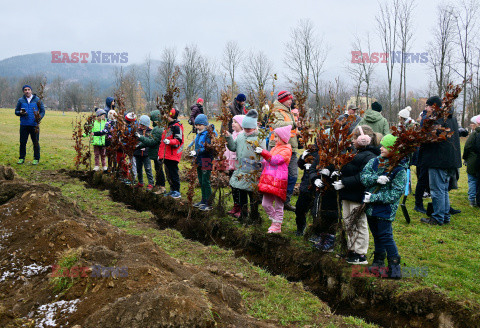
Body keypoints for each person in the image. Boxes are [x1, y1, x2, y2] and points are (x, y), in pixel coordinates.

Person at [360, 134, 407, 279]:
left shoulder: (399, 170)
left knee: (386, 236)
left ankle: (394, 266)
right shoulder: (375, 162)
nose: (381, 148)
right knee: (376, 234)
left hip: (385, 209)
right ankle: (378, 261)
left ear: (394, 150)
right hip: (371, 208)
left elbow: (394, 195)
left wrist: (374, 197)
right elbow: (363, 176)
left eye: (385, 146)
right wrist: (376, 179)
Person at [333, 125, 380, 264]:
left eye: (354, 137)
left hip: (357, 194)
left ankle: (360, 254)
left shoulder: (370, 156)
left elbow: (362, 177)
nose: (352, 141)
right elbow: (351, 170)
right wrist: (339, 173)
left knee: (359, 223)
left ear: (363, 139)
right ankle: (351, 249)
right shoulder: (357, 153)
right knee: (349, 222)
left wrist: (344, 182)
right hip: (348, 193)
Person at [419, 96, 462, 226]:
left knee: (437, 190)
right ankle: (445, 216)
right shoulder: (451, 118)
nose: (425, 109)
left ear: (433, 107)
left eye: (427, 106)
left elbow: (428, 139)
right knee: (443, 189)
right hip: (449, 160)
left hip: (438, 160)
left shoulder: (436, 120)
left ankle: (438, 217)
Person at [226, 110, 265, 224]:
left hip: (253, 171)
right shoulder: (241, 136)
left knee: (252, 196)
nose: (247, 131)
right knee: (242, 194)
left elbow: (263, 155)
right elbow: (233, 148)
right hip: (241, 169)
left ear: (254, 127)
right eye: (245, 128)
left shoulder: (260, 138)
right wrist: (228, 138)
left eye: (249, 129)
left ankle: (254, 218)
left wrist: (259, 164)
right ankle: (243, 216)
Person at [256, 125, 293, 233]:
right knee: (265, 204)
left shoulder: (286, 150)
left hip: (279, 180)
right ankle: (275, 220)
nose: (274, 139)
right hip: (269, 179)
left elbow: (275, 161)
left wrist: (263, 153)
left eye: (276, 137)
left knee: (278, 205)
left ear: (283, 138)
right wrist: (261, 162)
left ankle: (277, 225)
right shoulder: (273, 148)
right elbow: (269, 162)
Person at [269, 91, 299, 211]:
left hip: (291, 147)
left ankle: (285, 201)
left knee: (293, 175)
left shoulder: (288, 110)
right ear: (282, 100)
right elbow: (277, 125)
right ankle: (272, 200)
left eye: (291, 99)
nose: (291, 101)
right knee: (276, 176)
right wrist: (294, 124)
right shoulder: (276, 111)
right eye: (288, 99)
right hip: (278, 147)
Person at [190, 114, 217, 211]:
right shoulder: (199, 133)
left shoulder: (209, 133)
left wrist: (197, 151)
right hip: (199, 160)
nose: (197, 127)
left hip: (206, 160)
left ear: (205, 124)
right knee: (201, 181)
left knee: (206, 181)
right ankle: (203, 200)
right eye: (196, 125)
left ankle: (209, 203)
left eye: (199, 125)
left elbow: (207, 148)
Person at [15, 84, 45, 165]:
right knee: (22, 142)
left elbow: (43, 111)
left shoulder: (37, 100)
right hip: (24, 125)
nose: (27, 91)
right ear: (23, 91)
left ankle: (36, 158)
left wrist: (39, 117)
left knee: (35, 142)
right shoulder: (20, 100)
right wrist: (20, 113)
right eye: (25, 90)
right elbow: (16, 112)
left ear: (31, 90)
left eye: (28, 89)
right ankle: (21, 158)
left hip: (34, 125)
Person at [137, 110, 165, 193]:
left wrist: (140, 137)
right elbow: (150, 140)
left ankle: (162, 187)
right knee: (157, 168)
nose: (151, 122)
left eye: (152, 120)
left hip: (158, 153)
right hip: (157, 153)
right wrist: (139, 146)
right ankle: (158, 184)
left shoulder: (157, 129)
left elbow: (151, 142)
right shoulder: (158, 128)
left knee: (159, 169)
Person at [158, 108, 184, 198]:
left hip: (173, 154)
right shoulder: (168, 126)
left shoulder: (176, 126)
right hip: (167, 155)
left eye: (168, 116)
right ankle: (172, 190)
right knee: (169, 173)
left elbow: (178, 140)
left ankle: (177, 191)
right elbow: (162, 143)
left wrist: (169, 142)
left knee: (173, 173)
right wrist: (160, 155)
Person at [295, 145, 320, 236]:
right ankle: (300, 228)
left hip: (318, 187)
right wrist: (302, 158)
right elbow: (301, 165)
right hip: (306, 185)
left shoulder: (325, 153)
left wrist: (315, 168)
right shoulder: (310, 151)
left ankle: (316, 232)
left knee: (315, 212)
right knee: (299, 208)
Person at [224, 114, 245, 218]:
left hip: (238, 166)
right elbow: (228, 150)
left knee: (239, 188)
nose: (233, 124)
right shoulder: (232, 134)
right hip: (231, 165)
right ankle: (235, 205)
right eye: (232, 121)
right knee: (233, 187)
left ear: (241, 125)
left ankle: (241, 208)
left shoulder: (242, 136)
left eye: (235, 122)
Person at [463, 115, 480, 207]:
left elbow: (467, 147)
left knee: (472, 180)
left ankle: (472, 200)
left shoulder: (474, 134)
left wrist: (465, 157)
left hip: (473, 161)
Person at [134, 115, 155, 190]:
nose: (141, 126)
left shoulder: (151, 131)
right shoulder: (137, 131)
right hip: (138, 153)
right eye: (141, 124)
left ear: (146, 124)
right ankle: (140, 182)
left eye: (143, 125)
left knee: (148, 168)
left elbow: (150, 141)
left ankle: (151, 183)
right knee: (138, 168)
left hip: (146, 154)